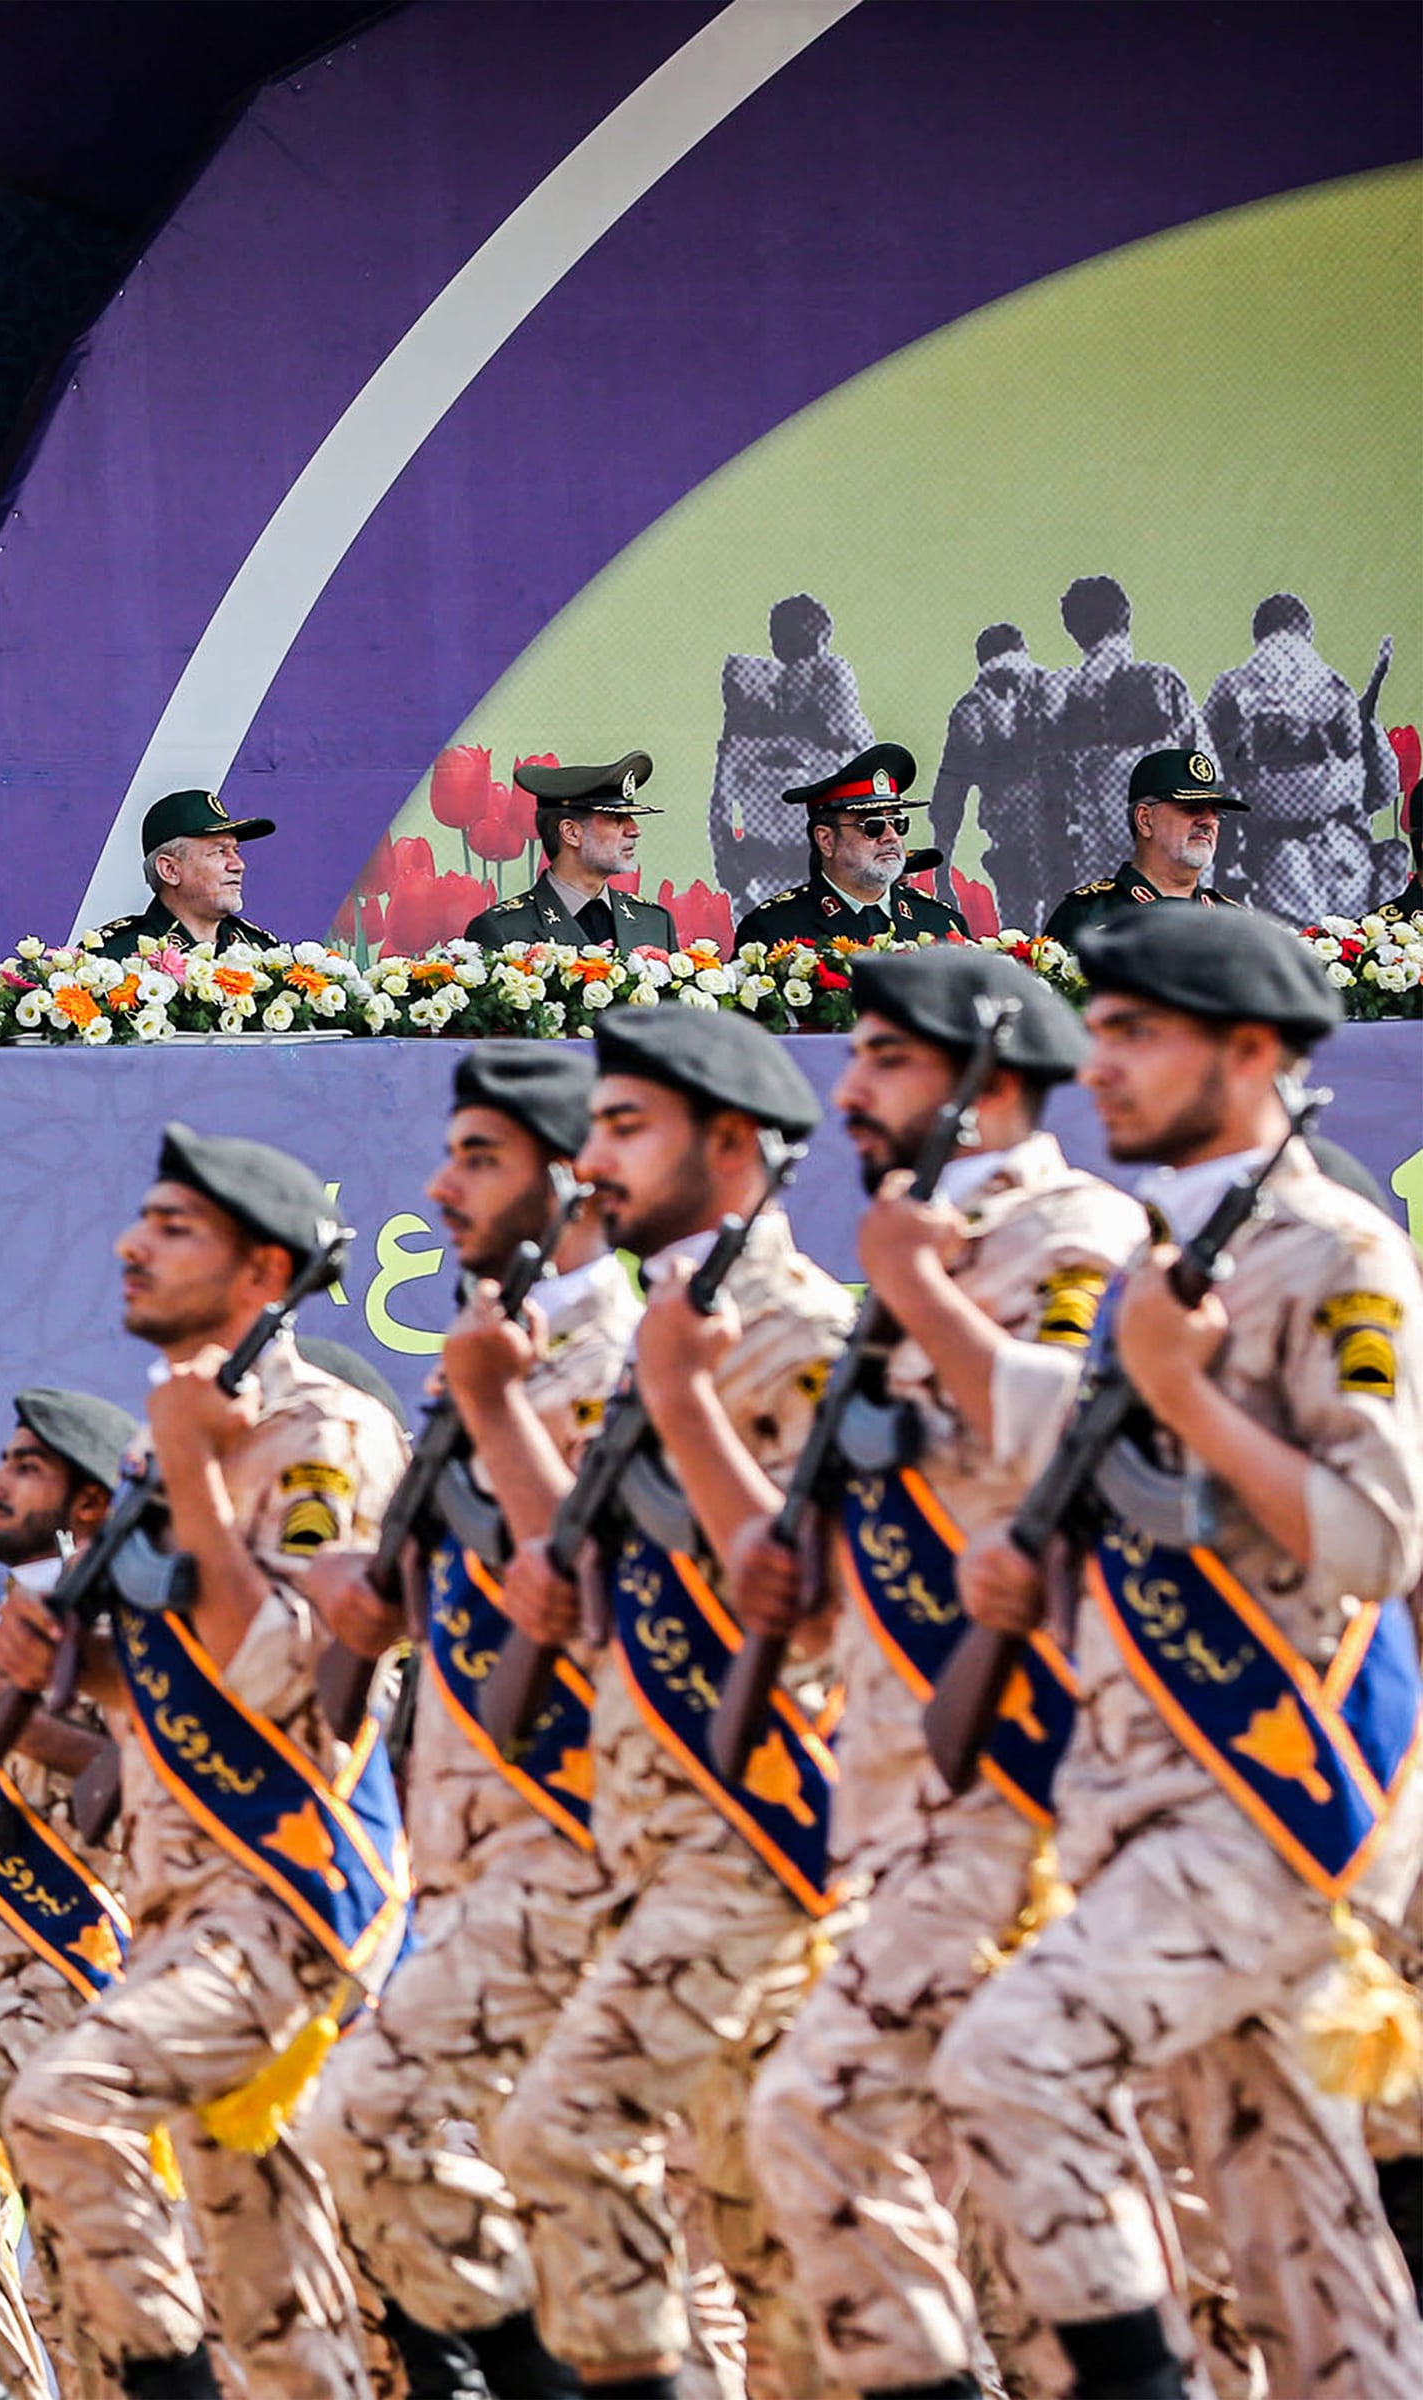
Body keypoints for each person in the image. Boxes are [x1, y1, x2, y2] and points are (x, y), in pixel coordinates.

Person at [933, 907, 1423, 2400]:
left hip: (1276, 1806)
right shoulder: (1163, 1243)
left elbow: (1378, 1540)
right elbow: (1107, 1465)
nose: (1105, 1064)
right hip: (1155, 1792)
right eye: (1107, 1029)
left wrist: (1184, 1399)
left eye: (1141, 1033)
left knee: (1005, 2058)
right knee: (1305, 2251)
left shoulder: (1338, 1257)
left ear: (1254, 1052)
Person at [727, 948, 1144, 2400]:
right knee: (1006, 2193)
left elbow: (1079, 1446)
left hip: (1030, 1783)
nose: (850, 1093)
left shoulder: (1074, 1232)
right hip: (901, 1787)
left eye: (889, 1063)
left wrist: (920, 1293)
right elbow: (905, 1542)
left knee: (817, 2114)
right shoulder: (915, 1261)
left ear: (992, 1081)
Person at [0, 1129, 410, 2400]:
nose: (131, 1243)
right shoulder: (171, 1435)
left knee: (58, 2110)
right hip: (186, 1894)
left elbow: (284, 1669)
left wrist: (192, 1474)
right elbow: (173, 1689)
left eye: (176, 1228)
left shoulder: (316, 1433)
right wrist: (73, 1668)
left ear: (259, 1270)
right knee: (279, 2314)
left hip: (290, 1900)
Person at [485, 1005, 854, 2400]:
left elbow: (817, 1600)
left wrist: (687, 1403)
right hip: (660, 1825)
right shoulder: (667, 1333)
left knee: (560, 2133)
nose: (592, 1158)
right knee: (770, 2244)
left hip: (770, 1831)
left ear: (734, 1143)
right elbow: (599, 1609)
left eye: (627, 1128)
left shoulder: (801, 1330)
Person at [301, 1044, 628, 2400]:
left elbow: (609, 1604)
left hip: (599, 1841)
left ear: (583, 1181)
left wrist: (496, 1403)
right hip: (475, 1852)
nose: (441, 1188)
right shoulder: (483, 1355)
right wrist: (363, 1619)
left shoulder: (625, 1346)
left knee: (623, 2226)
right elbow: (391, 1657)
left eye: (483, 1160)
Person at [0, 1387, 138, 2400]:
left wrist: (11, 1703)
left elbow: (128, 1789)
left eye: (26, 1469)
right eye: (3, 1461)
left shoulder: (130, 1619)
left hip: (70, 1989)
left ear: (90, 1505)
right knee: (56, 2291)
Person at [1207, 593, 1394, 924]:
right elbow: (1382, 788)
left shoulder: (1229, 689)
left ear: (1258, 635)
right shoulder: (1338, 690)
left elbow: (1203, 778)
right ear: (1306, 632)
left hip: (1263, 868)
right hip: (1342, 866)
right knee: (1344, 965)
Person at [1038, 576, 1203, 920]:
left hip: (1097, 876)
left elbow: (1049, 799)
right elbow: (1205, 774)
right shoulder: (1163, 683)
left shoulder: (1059, 697)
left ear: (1073, 630)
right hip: (1174, 878)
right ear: (1126, 616)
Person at [713, 595, 877, 910]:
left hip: (824, 862)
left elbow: (720, 804)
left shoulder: (844, 745)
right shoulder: (750, 728)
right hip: (776, 863)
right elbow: (721, 801)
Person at [733, 742, 970, 949]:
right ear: (826, 840)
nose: (891, 837)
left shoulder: (942, 923)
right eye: (873, 826)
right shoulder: (774, 929)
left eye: (898, 823)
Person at [461, 756, 678, 951]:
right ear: (571, 832)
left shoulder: (655, 923)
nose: (634, 830)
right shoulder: (502, 930)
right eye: (616, 819)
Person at [1039, 747, 1245, 944]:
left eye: (1216, 814)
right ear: (1145, 820)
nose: (1208, 822)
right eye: (1192, 809)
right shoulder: (1087, 915)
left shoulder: (1236, 922)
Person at [930, 624, 1055, 921]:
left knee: (1030, 929)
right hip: (1023, 836)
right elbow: (949, 794)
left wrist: (942, 870)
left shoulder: (974, 708)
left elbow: (948, 797)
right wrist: (942, 872)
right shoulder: (974, 709)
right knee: (1025, 929)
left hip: (1042, 832)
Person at [77, 790, 282, 956]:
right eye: (220, 852)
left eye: (235, 851)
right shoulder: (109, 957)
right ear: (170, 870)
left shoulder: (261, 952)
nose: (239, 865)